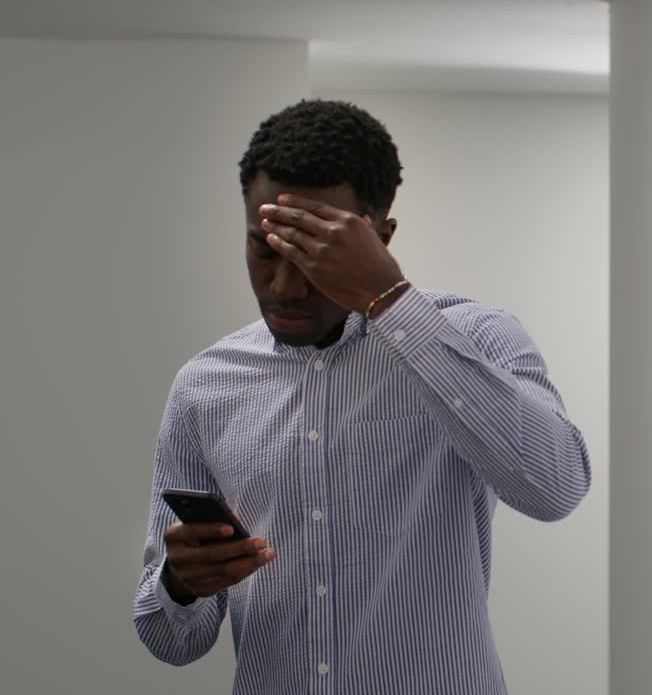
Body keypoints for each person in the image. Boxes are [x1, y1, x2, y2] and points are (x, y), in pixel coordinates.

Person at [132, 99, 591, 694]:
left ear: (380, 237)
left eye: (313, 255)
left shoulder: (475, 338)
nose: (285, 286)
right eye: (266, 250)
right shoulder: (205, 385)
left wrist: (390, 298)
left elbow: (555, 488)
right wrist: (182, 584)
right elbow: (170, 641)